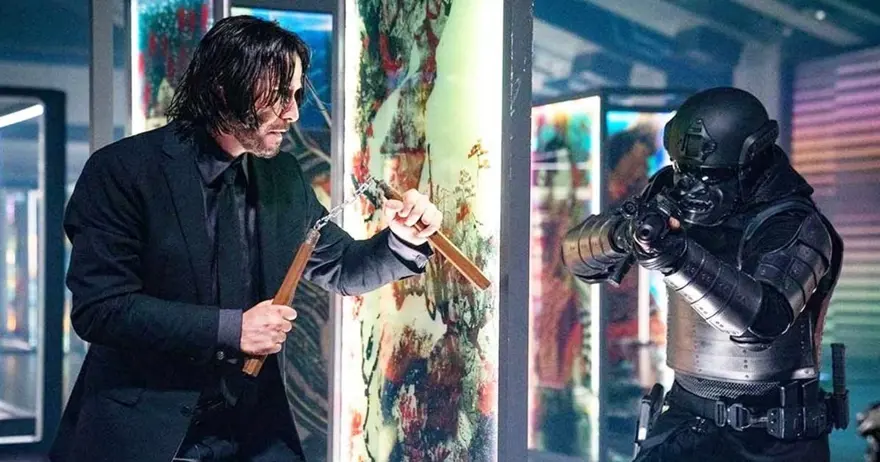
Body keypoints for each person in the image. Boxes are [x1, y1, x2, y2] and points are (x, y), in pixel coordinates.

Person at [50, 15, 442, 462]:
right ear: (223, 89)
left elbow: (344, 266)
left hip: (254, 435)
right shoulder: (123, 171)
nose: (293, 113)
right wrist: (232, 329)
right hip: (144, 433)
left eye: (295, 95)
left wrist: (403, 239)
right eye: (279, 96)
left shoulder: (282, 174)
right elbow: (101, 309)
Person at [561, 87, 846, 461]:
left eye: (709, 177)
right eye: (684, 171)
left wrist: (678, 258)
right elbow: (578, 259)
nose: (691, 188)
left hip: (777, 438)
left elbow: (764, 319)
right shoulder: (673, 188)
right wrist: (622, 235)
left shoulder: (795, 223)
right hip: (686, 419)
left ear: (752, 162)